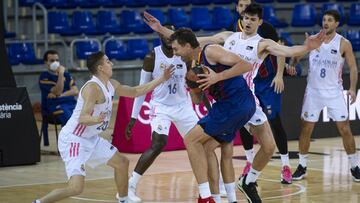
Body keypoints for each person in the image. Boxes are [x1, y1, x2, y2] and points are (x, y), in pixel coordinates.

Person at [143, 5, 325, 202]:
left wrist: (307, 47)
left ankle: (248, 181)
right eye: (245, 17)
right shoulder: (227, 37)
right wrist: (161, 29)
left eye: (252, 19)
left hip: (247, 99)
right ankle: (219, 195)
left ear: (259, 22)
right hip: (227, 98)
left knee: (268, 147)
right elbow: (191, 41)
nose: (247, 22)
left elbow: (287, 50)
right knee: (217, 147)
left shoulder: (262, 44)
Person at [32, 51, 174, 203]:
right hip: (74, 140)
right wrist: (95, 119)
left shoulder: (111, 84)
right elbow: (82, 118)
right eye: (107, 61)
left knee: (122, 162)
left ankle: (124, 199)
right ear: (100, 68)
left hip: (91, 138)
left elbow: (136, 91)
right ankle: (38, 202)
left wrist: (162, 78)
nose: (111, 63)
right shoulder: (92, 88)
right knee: (75, 188)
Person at [122, 24, 200, 203]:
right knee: (158, 143)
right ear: (159, 34)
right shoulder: (152, 56)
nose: (168, 36)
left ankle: (213, 186)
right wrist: (133, 118)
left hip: (183, 106)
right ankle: (129, 187)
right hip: (161, 107)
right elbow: (141, 89)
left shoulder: (184, 54)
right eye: (164, 32)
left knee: (201, 143)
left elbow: (192, 83)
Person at [291, 10, 360, 182]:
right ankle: (302, 165)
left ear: (336, 24)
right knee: (306, 129)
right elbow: (297, 57)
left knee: (345, 129)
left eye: (330, 20)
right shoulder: (314, 39)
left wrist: (352, 88)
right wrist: (294, 62)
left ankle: (354, 166)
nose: (326, 22)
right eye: (324, 19)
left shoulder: (344, 43)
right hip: (313, 91)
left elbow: (352, 67)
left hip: (334, 92)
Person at [231, 0, 293, 184]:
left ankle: (286, 165)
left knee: (274, 121)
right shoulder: (234, 30)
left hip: (267, 81)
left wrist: (280, 75)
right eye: (241, 6)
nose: (244, 9)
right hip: (247, 83)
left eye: (247, 5)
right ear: (238, 9)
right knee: (244, 123)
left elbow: (280, 50)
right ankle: (249, 162)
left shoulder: (266, 28)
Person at [39, 50, 78, 127]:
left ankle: (80, 137)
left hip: (71, 103)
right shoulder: (44, 77)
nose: (55, 63)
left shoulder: (66, 74)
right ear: (46, 62)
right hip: (54, 107)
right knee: (68, 118)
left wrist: (61, 95)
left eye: (57, 60)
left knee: (84, 114)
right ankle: (68, 138)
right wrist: (60, 74)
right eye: (52, 61)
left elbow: (75, 91)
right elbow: (58, 91)